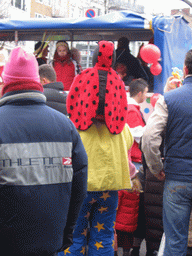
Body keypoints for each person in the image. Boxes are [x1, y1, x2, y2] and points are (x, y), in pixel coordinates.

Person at [0, 46, 88, 256]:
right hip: (50, 242)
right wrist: (66, 232)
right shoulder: (65, 126)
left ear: (6, 82)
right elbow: (79, 184)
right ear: (37, 82)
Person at [65, 40, 134, 256]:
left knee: (74, 237)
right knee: (102, 238)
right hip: (109, 188)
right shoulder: (121, 128)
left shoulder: (75, 125)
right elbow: (130, 141)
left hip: (80, 188)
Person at [141, 49, 192, 256]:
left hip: (177, 179)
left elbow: (149, 138)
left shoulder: (169, 99)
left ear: (186, 68)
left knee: (174, 241)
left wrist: (156, 168)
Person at [126, 78, 148, 256]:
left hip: (131, 161)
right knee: (133, 206)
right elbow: (137, 135)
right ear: (140, 93)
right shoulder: (132, 110)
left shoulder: (128, 108)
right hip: (135, 162)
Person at [115, 157, 141, 256]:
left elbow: (117, 204)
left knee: (117, 239)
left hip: (119, 222)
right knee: (127, 241)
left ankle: (115, 252)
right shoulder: (137, 190)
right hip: (131, 223)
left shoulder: (122, 189)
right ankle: (126, 253)